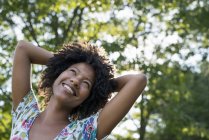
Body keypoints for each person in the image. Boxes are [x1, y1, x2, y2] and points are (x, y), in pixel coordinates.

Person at [10, 40, 147, 140]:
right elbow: (23, 49)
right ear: (58, 73)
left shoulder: (85, 132)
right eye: (73, 71)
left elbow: (138, 80)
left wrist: (101, 86)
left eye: (86, 83)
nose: (76, 81)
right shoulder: (25, 114)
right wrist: (62, 62)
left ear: (88, 97)